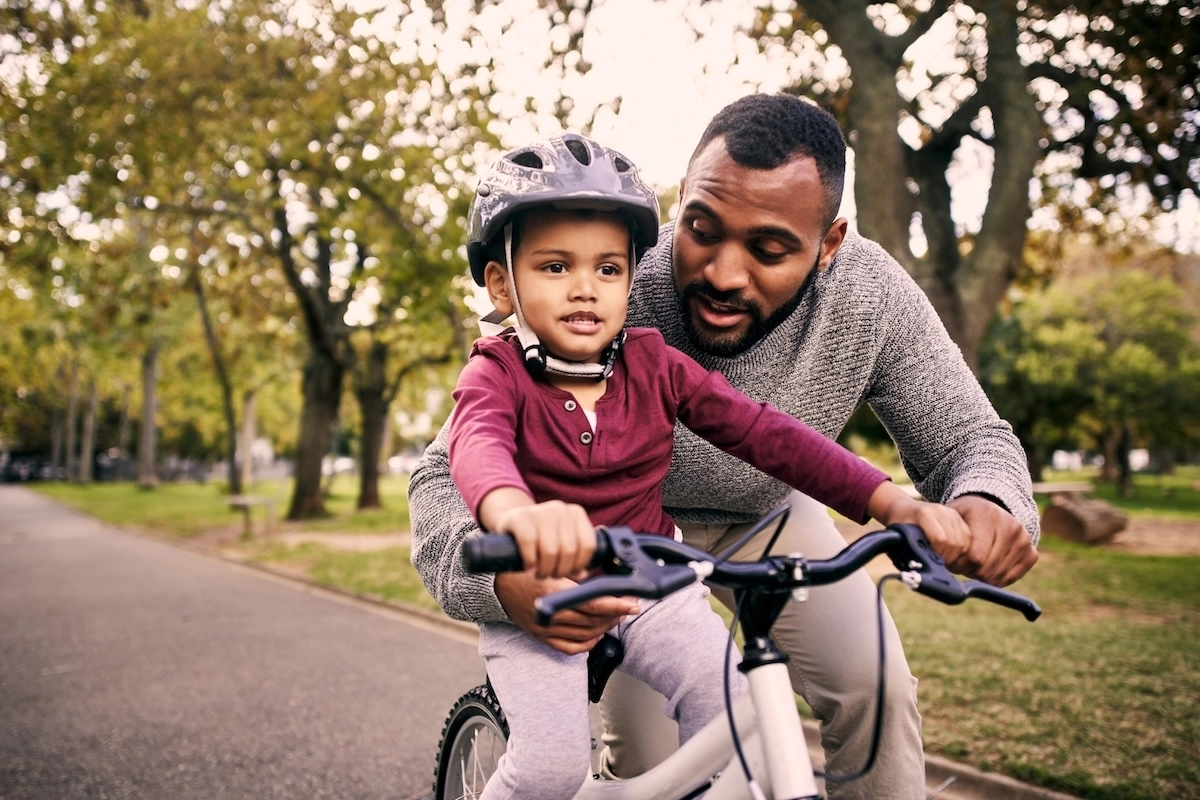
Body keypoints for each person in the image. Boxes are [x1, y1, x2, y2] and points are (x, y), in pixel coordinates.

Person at [412, 94, 1040, 800]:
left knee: (875, 690)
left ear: (828, 244)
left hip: (769, 516)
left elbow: (963, 435)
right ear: (683, 201)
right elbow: (453, 467)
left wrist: (979, 500)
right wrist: (501, 579)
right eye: (703, 231)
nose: (723, 274)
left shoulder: (871, 297)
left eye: (768, 249)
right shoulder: (608, 276)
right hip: (618, 545)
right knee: (650, 768)